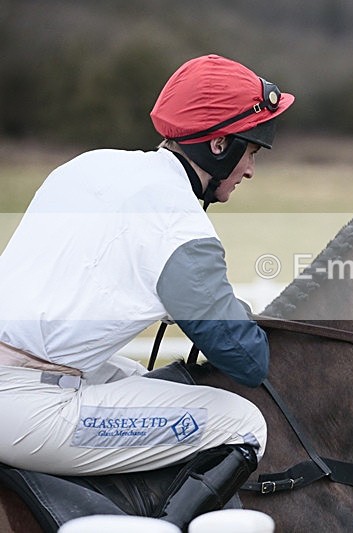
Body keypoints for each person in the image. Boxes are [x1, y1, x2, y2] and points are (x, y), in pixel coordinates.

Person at [0, 54, 294, 528]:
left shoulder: (91, 164)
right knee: (243, 424)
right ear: (219, 144)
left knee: (142, 377)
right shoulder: (179, 222)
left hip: (26, 372)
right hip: (25, 406)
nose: (251, 170)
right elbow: (246, 359)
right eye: (252, 151)